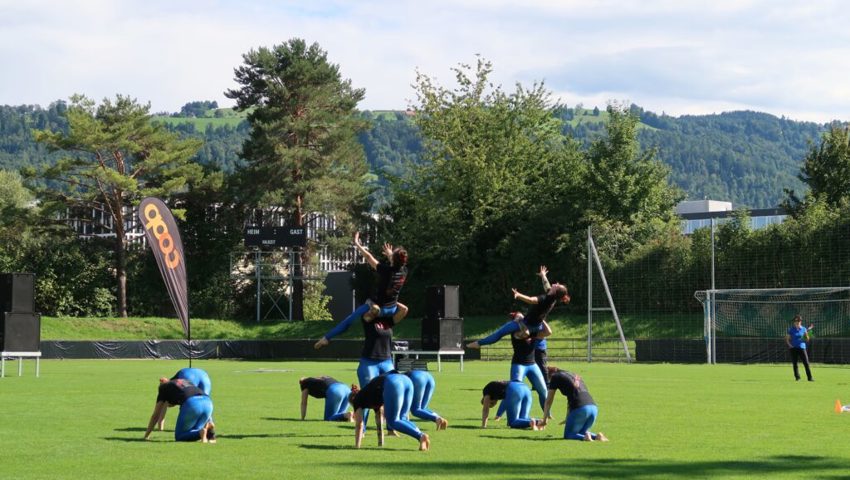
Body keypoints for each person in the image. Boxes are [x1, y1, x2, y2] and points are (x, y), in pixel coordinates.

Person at [314, 232, 409, 430]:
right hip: (391, 309)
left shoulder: (385, 270)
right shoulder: (403, 271)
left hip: (378, 307)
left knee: (350, 319)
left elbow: (369, 258)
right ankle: (392, 425)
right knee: (386, 313)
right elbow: (395, 264)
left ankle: (326, 338)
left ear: (393, 261)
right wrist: (392, 254)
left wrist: (358, 244)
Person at [467, 313, 551, 412]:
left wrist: (540, 318)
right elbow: (497, 336)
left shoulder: (533, 332)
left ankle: (547, 414)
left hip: (532, 365)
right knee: (514, 391)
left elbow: (548, 332)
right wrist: (520, 321)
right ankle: (509, 415)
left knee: (543, 391)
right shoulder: (516, 333)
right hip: (519, 365)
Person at [350, 372, 430, 451]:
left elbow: (359, 425)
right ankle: (421, 435)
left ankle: (420, 436)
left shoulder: (357, 400)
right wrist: (380, 442)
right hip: (406, 380)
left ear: (352, 400)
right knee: (402, 419)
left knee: (392, 422)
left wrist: (357, 446)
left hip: (392, 382)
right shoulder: (369, 395)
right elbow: (379, 420)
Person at [542, 366, 608, 442]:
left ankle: (585, 438)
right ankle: (597, 436)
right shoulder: (572, 374)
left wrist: (544, 420)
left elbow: (548, 401)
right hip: (593, 407)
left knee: (568, 435)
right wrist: (567, 418)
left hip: (580, 408)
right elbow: (571, 398)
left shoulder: (555, 377)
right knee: (580, 432)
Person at [144, 378, 215, 442]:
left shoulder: (163, 388)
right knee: (194, 429)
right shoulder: (184, 381)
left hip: (192, 403)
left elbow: (155, 416)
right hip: (208, 402)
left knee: (179, 436)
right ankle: (208, 433)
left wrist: (146, 435)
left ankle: (200, 433)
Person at [479, 380, 544, 430]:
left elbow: (485, 410)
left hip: (514, 389)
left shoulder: (486, 391)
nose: (494, 404)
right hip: (525, 388)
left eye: (491, 403)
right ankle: (539, 422)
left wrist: (483, 425)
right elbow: (506, 403)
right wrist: (499, 415)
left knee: (512, 422)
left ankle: (534, 422)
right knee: (523, 419)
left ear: (485, 399)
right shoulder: (498, 391)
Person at [785, 314, 813, 381]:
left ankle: (810, 378)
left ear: (801, 322)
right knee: (795, 363)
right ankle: (797, 377)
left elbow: (807, 339)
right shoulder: (791, 329)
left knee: (806, 363)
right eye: (796, 321)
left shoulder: (803, 329)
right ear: (794, 322)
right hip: (794, 349)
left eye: (798, 321)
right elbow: (787, 339)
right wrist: (790, 346)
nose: (797, 322)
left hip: (802, 348)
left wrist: (808, 333)